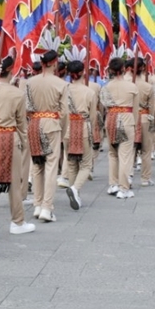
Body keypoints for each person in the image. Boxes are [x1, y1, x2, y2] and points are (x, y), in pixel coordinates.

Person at [0, 56, 34, 234]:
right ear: (11, 71)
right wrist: (24, 143)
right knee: (14, 182)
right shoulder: (17, 93)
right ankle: (17, 221)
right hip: (10, 135)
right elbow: (21, 124)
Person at [25, 48, 67, 221]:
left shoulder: (29, 82)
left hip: (34, 123)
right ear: (55, 63)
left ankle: (37, 203)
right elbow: (64, 112)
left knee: (37, 165)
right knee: (50, 166)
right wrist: (62, 131)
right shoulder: (61, 84)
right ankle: (46, 207)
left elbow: (26, 107)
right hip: (51, 124)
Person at [60, 54, 97, 207]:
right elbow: (93, 117)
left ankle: (75, 192)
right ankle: (75, 188)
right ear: (83, 72)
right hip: (83, 128)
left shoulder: (63, 90)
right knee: (86, 164)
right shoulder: (89, 92)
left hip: (67, 128)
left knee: (71, 163)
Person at [101, 57, 139, 198]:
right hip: (127, 119)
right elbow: (135, 110)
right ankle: (124, 187)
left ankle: (113, 184)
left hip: (111, 118)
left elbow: (104, 106)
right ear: (124, 69)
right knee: (125, 155)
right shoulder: (132, 87)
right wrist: (134, 124)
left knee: (112, 153)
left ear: (110, 70)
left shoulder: (105, 87)